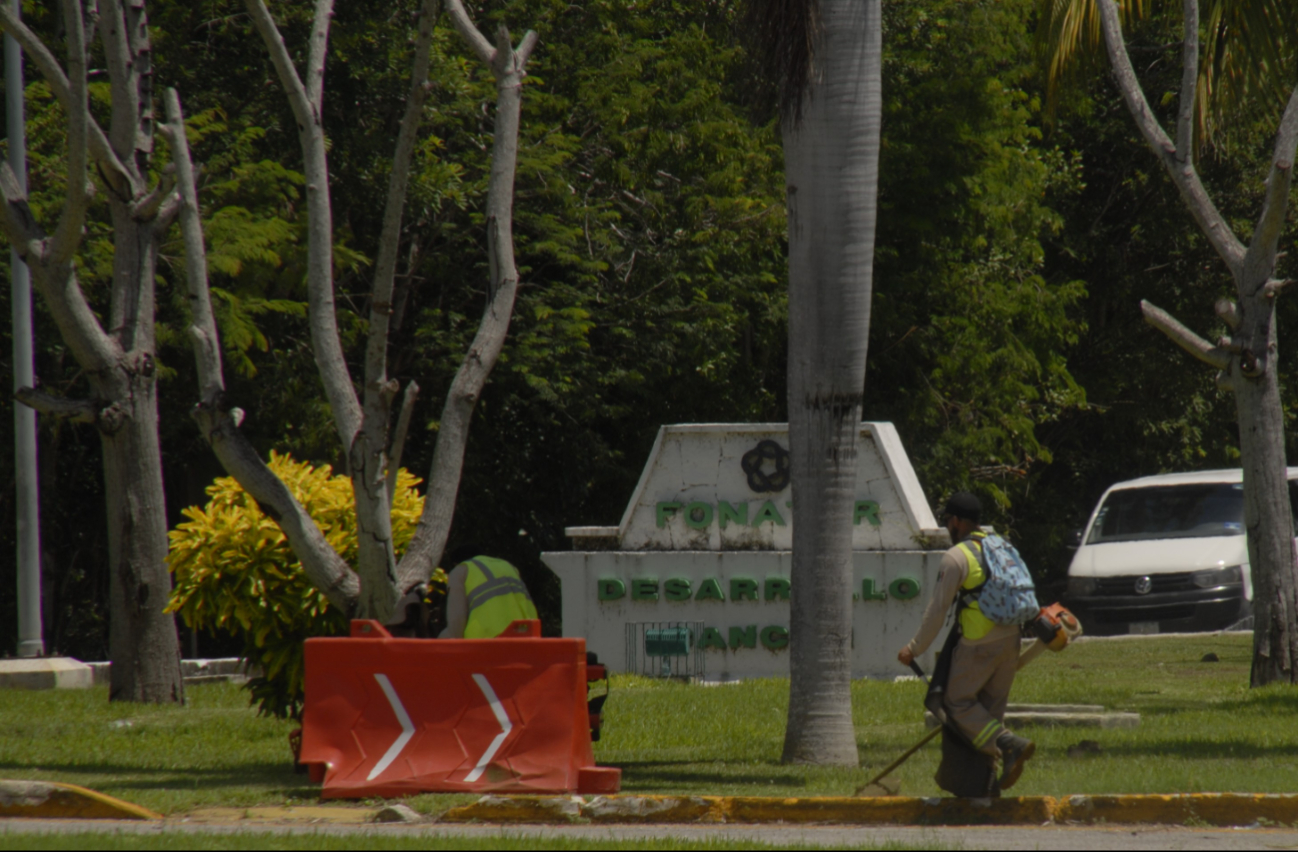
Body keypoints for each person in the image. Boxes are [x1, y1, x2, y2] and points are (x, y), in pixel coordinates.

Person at [896, 491, 1035, 794]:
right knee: (987, 714)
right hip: (1012, 640)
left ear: (957, 520)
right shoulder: (1000, 546)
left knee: (956, 703)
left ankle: (1009, 744)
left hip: (978, 646)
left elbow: (937, 610)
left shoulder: (957, 556)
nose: (948, 527)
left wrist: (914, 648)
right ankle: (986, 788)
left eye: (948, 521)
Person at [439, 546, 539, 639]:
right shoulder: (508, 566)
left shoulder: (460, 570)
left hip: (487, 643)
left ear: (455, 564)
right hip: (526, 637)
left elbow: (456, 628)